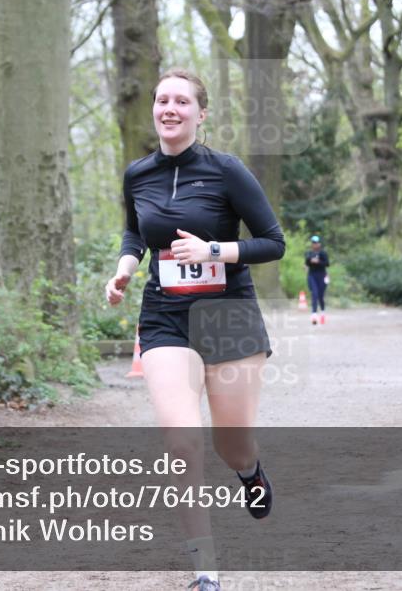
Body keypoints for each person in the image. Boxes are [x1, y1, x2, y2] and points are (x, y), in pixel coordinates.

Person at [105, 68, 285, 591]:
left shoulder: (227, 171)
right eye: (162, 99)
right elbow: (135, 231)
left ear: (200, 114)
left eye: (181, 101)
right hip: (165, 315)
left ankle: (249, 472)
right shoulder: (137, 174)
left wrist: (213, 251)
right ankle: (204, 570)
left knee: (232, 445)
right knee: (181, 441)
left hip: (227, 312)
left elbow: (273, 243)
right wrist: (124, 267)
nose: (169, 108)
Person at [304, 235, 330, 325]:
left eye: (316, 243)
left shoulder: (323, 253)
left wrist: (318, 262)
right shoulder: (309, 253)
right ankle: (314, 314)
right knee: (314, 293)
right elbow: (306, 262)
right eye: (313, 243)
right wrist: (310, 261)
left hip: (322, 276)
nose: (315, 244)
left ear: (319, 243)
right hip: (312, 275)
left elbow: (327, 263)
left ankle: (322, 312)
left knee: (320, 296)